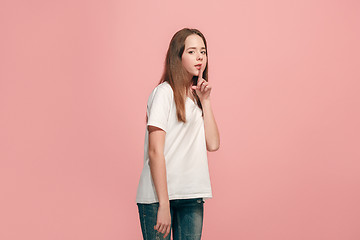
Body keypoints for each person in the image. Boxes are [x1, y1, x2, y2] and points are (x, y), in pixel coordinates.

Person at [136, 28, 220, 240]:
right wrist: (164, 204)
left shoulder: (196, 98)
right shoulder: (163, 93)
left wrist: (206, 101)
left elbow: (213, 144)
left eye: (203, 51)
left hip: (191, 195)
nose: (200, 56)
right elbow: (155, 151)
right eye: (191, 51)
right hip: (158, 198)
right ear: (178, 56)